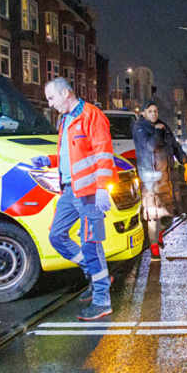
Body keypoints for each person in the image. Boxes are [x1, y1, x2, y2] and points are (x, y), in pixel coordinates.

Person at [31, 78, 117, 320]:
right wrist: (50, 161)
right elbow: (72, 156)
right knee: (57, 236)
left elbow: (103, 153)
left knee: (92, 244)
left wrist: (102, 188)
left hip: (90, 193)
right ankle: (94, 274)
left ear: (66, 93)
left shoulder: (91, 115)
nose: (50, 104)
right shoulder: (65, 120)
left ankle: (102, 301)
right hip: (70, 191)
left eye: (51, 98)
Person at [133, 102, 187, 262]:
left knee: (169, 215)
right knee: (153, 217)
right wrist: (158, 130)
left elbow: (175, 147)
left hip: (167, 180)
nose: (153, 113)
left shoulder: (164, 127)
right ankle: (154, 251)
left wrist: (186, 164)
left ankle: (159, 233)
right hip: (150, 181)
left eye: (156, 111)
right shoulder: (139, 128)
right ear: (144, 113)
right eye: (150, 111)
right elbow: (151, 145)